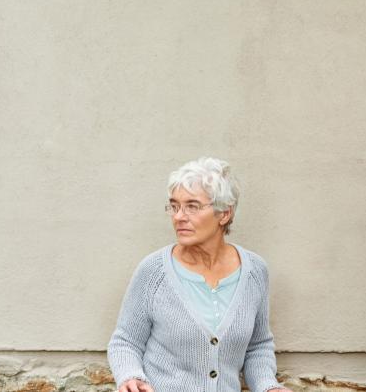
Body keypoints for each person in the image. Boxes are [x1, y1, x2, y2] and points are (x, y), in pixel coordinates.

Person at [108, 157, 292, 392]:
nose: (178, 216)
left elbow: (257, 346)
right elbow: (125, 341)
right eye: (174, 206)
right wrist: (131, 377)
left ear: (224, 214)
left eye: (192, 206)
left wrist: (268, 386)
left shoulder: (255, 271)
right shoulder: (153, 271)